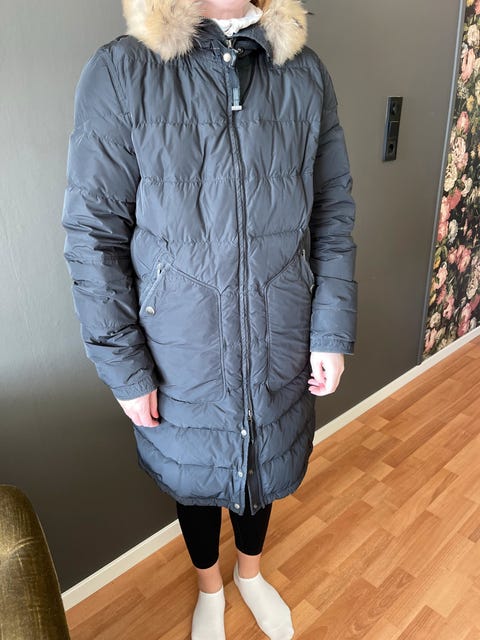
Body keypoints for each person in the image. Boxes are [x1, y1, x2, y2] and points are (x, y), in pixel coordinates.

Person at [61, 0, 357, 638]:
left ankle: (249, 574)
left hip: (282, 333)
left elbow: (332, 212)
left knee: (262, 463)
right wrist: (123, 366)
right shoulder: (123, 71)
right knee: (195, 474)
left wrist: (330, 329)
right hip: (178, 348)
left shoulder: (304, 72)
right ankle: (209, 587)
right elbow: (93, 234)